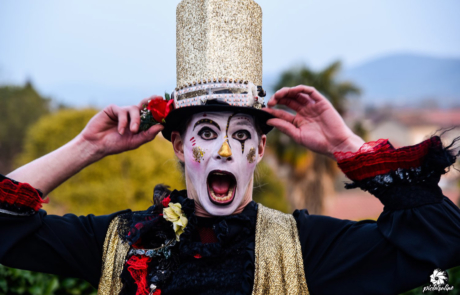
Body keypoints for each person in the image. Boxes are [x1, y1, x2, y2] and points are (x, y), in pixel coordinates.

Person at [1, 0, 460, 294]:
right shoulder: (121, 240)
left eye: (241, 136)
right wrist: (87, 147)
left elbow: (441, 239)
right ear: (179, 146)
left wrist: (348, 146)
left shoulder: (305, 246)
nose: (224, 152)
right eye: (205, 134)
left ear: (260, 149)